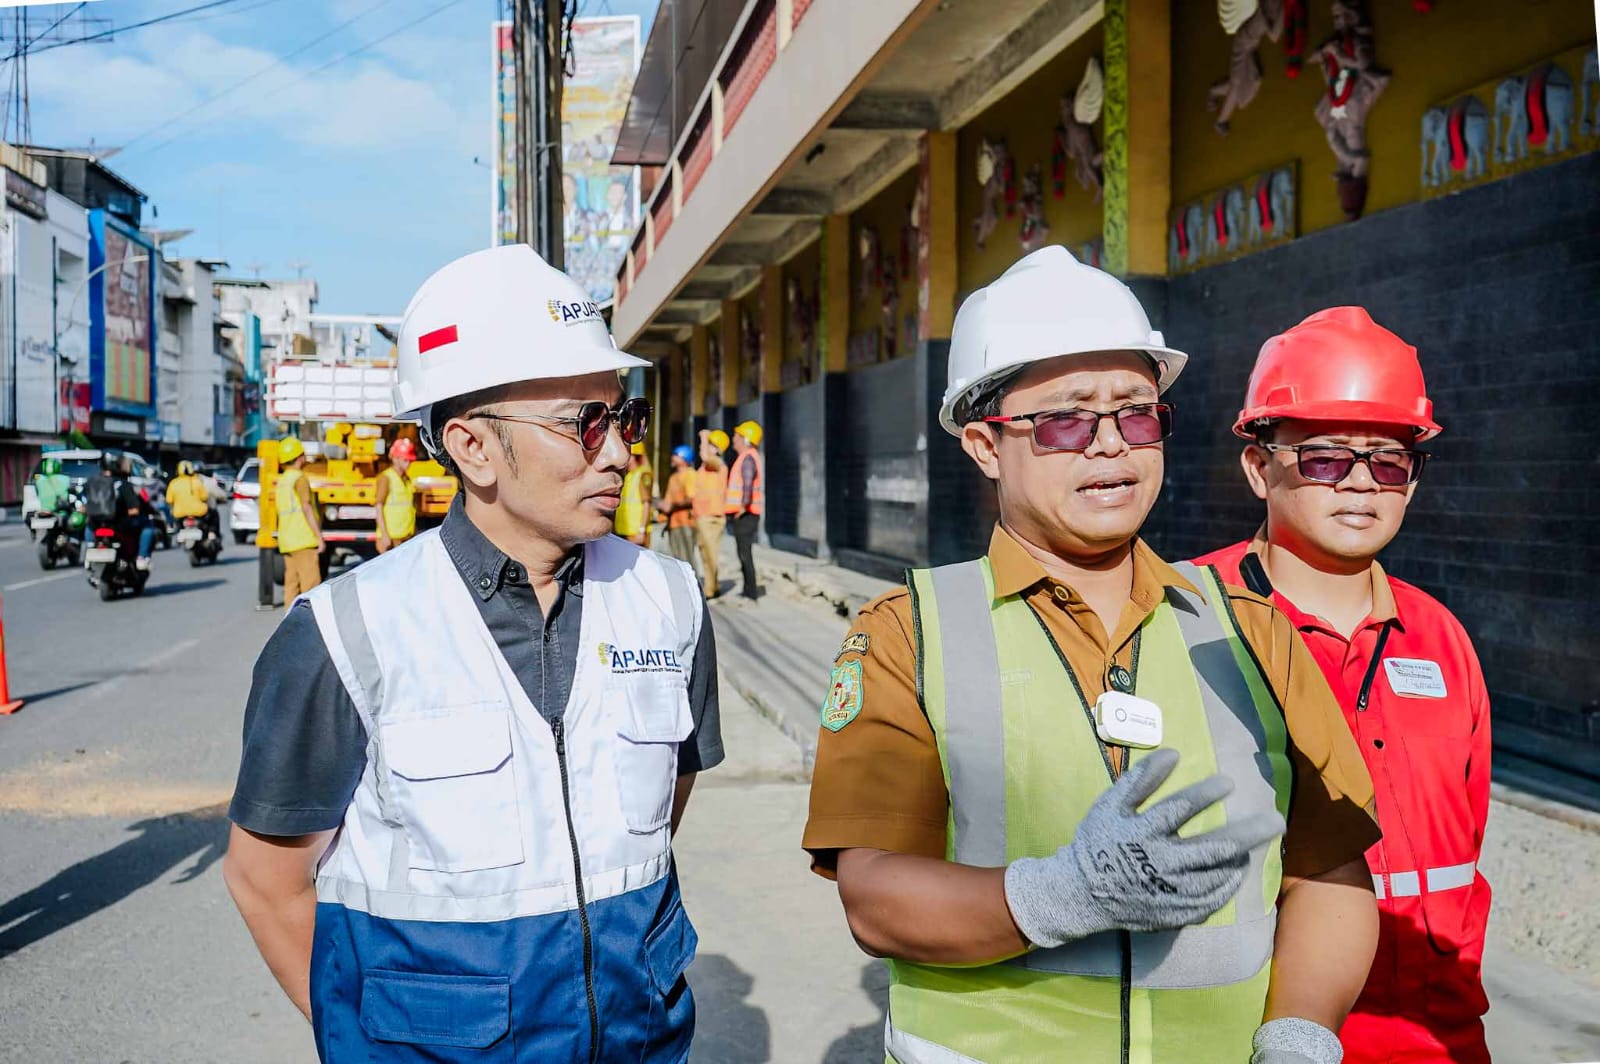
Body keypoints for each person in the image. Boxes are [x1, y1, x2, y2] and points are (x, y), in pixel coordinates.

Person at [802, 246, 1382, 1064]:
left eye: (1136, 414)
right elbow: (873, 895)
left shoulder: (1250, 629)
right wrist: (1058, 896)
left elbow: (1329, 873)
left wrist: (1299, 1035)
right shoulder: (909, 635)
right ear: (985, 446)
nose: (1110, 445)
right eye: (1066, 420)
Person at [222, 244, 723, 1063]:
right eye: (582, 423)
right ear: (472, 447)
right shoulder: (347, 631)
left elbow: (658, 816)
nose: (617, 452)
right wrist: (372, 1042)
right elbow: (264, 880)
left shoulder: (668, 603)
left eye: (622, 417)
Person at [1194, 307, 1492, 1064]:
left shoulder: (1440, 638)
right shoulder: (1188, 619)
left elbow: (1464, 847)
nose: (1361, 482)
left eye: (1389, 461)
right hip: (1256, 1040)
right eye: (1326, 458)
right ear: (1258, 467)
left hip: (1437, 1037)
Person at [274, 437, 324, 609]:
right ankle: (309, 621)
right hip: (303, 540)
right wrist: (319, 537)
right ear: (300, 457)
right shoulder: (299, 479)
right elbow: (306, 507)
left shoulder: (282, 481)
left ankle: (289, 620)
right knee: (311, 587)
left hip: (287, 541)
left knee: (291, 586)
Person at [725, 420, 764, 601]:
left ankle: (750, 593)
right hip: (746, 513)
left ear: (746, 440)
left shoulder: (748, 458)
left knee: (744, 554)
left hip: (746, 514)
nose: (734, 439)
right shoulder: (746, 457)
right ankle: (748, 591)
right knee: (743, 553)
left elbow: (747, 485)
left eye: (737, 436)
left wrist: (742, 507)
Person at [692, 430, 730, 599]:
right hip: (704, 515)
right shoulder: (707, 467)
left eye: (711, 445)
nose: (707, 448)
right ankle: (713, 586)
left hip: (711, 516)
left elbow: (706, 457)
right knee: (706, 553)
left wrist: (704, 438)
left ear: (717, 449)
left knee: (710, 553)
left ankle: (711, 589)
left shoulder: (718, 464)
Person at [658, 444, 701, 576]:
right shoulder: (673, 477)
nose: (672, 458)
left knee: (687, 559)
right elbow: (668, 501)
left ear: (684, 458)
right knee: (677, 559)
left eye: (675, 455)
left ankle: (693, 584)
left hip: (687, 522)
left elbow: (691, 498)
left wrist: (672, 506)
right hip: (674, 523)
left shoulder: (690, 474)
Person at [374, 437, 417, 554]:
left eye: (410, 460)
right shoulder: (386, 478)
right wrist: (384, 535)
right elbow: (378, 507)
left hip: (406, 536)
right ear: (395, 459)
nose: (408, 463)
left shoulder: (407, 479)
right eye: (405, 460)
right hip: (391, 538)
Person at [166, 460, 222, 544]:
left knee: (174, 521)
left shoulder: (173, 483)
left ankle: (178, 532)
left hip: (180, 514)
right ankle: (212, 533)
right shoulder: (197, 481)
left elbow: (169, 500)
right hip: (199, 513)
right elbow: (204, 497)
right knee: (214, 514)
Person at [613, 441, 654, 547]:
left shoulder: (643, 474)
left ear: (635, 456)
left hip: (636, 533)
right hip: (622, 530)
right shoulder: (628, 476)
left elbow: (647, 504)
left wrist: (642, 530)